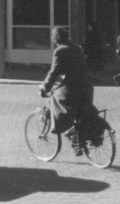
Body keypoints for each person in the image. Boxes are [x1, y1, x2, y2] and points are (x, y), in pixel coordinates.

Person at [39, 27, 95, 155]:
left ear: (55, 39)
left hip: (72, 87)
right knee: (80, 111)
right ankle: (75, 138)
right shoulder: (77, 48)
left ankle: (64, 129)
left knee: (55, 100)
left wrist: (44, 88)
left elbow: (54, 72)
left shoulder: (60, 50)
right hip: (86, 86)